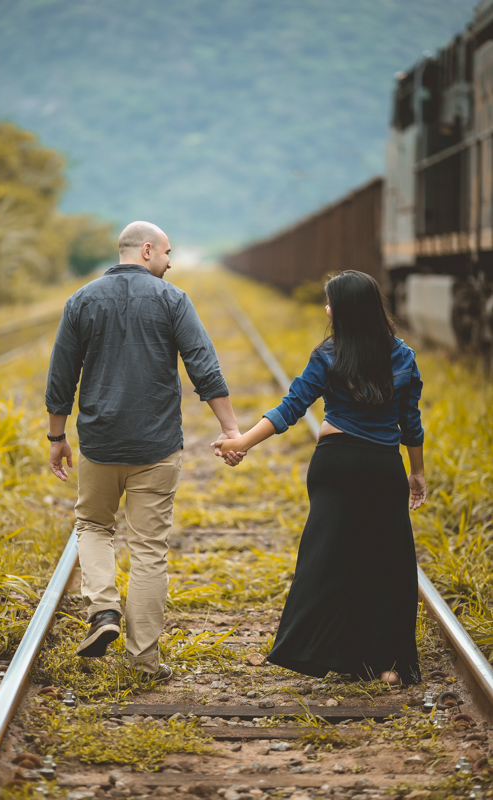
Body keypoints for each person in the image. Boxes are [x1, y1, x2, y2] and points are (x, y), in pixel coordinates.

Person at [46, 221, 244, 682]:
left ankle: (103, 611)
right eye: (168, 253)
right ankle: (143, 660)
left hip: (100, 443)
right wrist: (231, 428)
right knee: (149, 549)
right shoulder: (173, 300)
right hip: (157, 446)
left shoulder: (81, 300)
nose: (171, 262)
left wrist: (57, 438)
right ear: (148, 250)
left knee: (93, 525)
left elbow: (61, 375)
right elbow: (203, 365)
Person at [214, 270, 427, 685]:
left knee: (327, 560)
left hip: (335, 466)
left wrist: (242, 442)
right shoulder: (403, 356)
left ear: (345, 310)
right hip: (383, 467)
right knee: (386, 562)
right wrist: (416, 472)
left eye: (331, 302)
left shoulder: (328, 354)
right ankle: (385, 664)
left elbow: (291, 408)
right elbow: (411, 423)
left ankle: (316, 650)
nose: (326, 308)